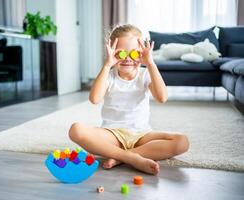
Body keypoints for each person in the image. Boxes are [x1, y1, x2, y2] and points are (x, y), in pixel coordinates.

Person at [68, 24, 189, 175]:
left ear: (142, 53)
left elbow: (162, 97)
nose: (128, 59)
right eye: (121, 54)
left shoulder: (144, 74)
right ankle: (131, 158)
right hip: (112, 135)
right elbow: (94, 99)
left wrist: (150, 63)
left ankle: (121, 158)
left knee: (182, 142)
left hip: (141, 135)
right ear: (112, 53)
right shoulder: (110, 75)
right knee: (76, 130)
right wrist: (107, 65)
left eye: (134, 54)